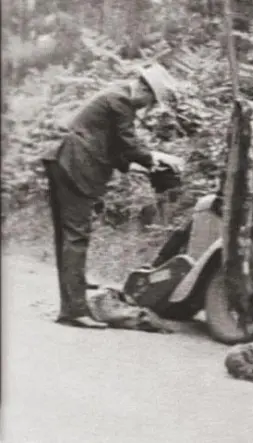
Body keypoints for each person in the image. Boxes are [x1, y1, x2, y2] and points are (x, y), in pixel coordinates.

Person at [41, 63, 185, 329]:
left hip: (66, 162)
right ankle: (74, 310)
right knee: (76, 236)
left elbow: (116, 148)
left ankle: (73, 298)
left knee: (68, 235)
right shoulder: (120, 100)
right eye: (150, 100)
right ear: (143, 87)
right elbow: (128, 143)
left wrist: (142, 165)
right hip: (76, 165)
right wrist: (158, 157)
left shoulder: (116, 96)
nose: (147, 107)